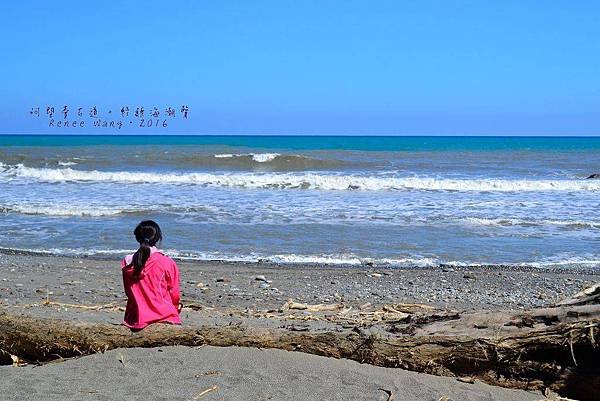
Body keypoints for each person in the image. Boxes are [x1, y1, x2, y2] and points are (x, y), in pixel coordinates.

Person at [121, 220, 181, 330]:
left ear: (137, 237)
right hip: (164, 314)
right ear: (158, 238)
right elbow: (174, 294)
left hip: (135, 317)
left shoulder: (127, 262)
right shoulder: (167, 262)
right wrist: (175, 309)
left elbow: (128, 292)